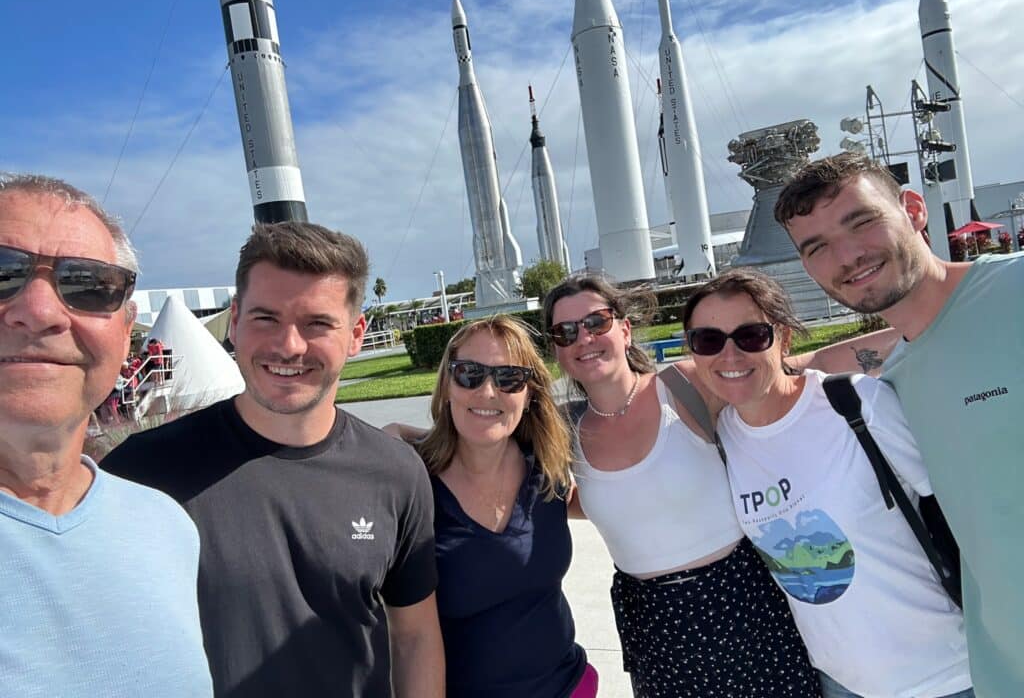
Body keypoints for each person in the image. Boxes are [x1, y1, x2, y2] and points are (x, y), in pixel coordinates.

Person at [102, 222, 443, 697]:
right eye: (266, 318)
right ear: (235, 321)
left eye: (317, 323)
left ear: (355, 334)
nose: (289, 346)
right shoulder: (139, 473)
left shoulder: (396, 473)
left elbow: (415, 636)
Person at [776, 153, 1024, 697]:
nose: (846, 255)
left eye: (861, 221)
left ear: (913, 210)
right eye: (815, 247)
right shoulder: (894, 382)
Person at [682, 268, 972, 698]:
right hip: (840, 682)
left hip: (947, 671)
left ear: (783, 338)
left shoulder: (854, 404)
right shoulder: (723, 438)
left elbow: (963, 508)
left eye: (751, 336)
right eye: (708, 340)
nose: (729, 355)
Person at [543, 275, 821, 698]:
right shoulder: (564, 430)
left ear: (624, 328)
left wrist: (912, 336)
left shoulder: (683, 386)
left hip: (744, 606)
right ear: (558, 350)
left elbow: (790, 377)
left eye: (596, 322)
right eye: (566, 332)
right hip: (655, 628)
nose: (583, 338)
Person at [0, 174, 211, 696]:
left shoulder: (166, 526)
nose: (41, 312)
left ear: (125, 333)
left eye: (89, 285)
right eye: (2, 271)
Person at [387, 316, 596, 698]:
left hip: (569, 685)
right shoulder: (413, 486)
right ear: (447, 385)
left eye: (508, 378)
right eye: (469, 373)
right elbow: (405, 640)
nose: (487, 392)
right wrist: (395, 439)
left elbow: (617, 504)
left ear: (529, 392)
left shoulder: (547, 471)